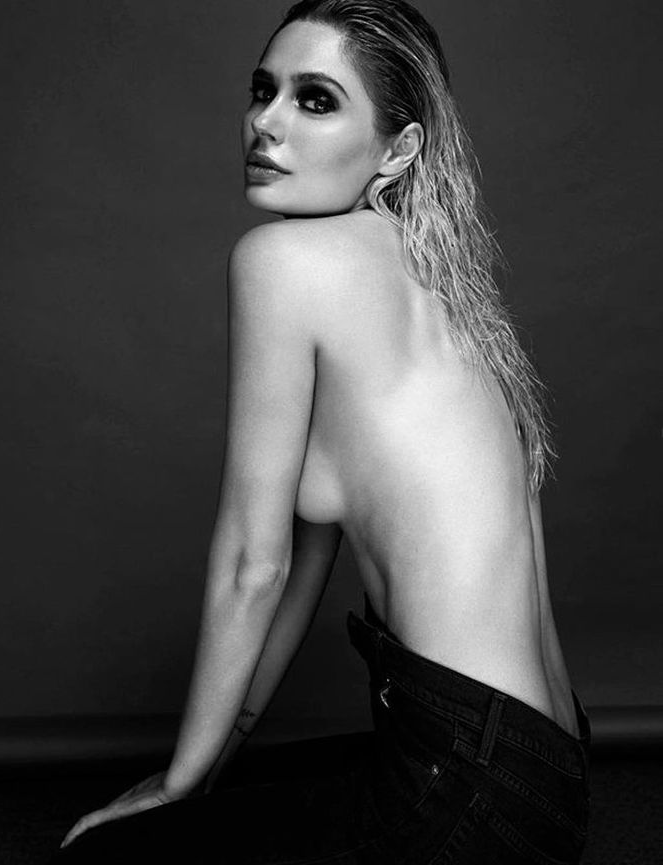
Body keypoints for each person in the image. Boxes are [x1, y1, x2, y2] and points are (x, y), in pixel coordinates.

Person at [50, 1, 591, 862]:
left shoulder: (282, 263)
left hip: (465, 785)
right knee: (249, 793)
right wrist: (213, 760)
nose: (265, 123)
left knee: (102, 856)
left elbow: (252, 565)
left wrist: (175, 788)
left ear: (398, 149)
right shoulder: (447, 284)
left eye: (314, 100)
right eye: (262, 90)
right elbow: (301, 566)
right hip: (548, 779)